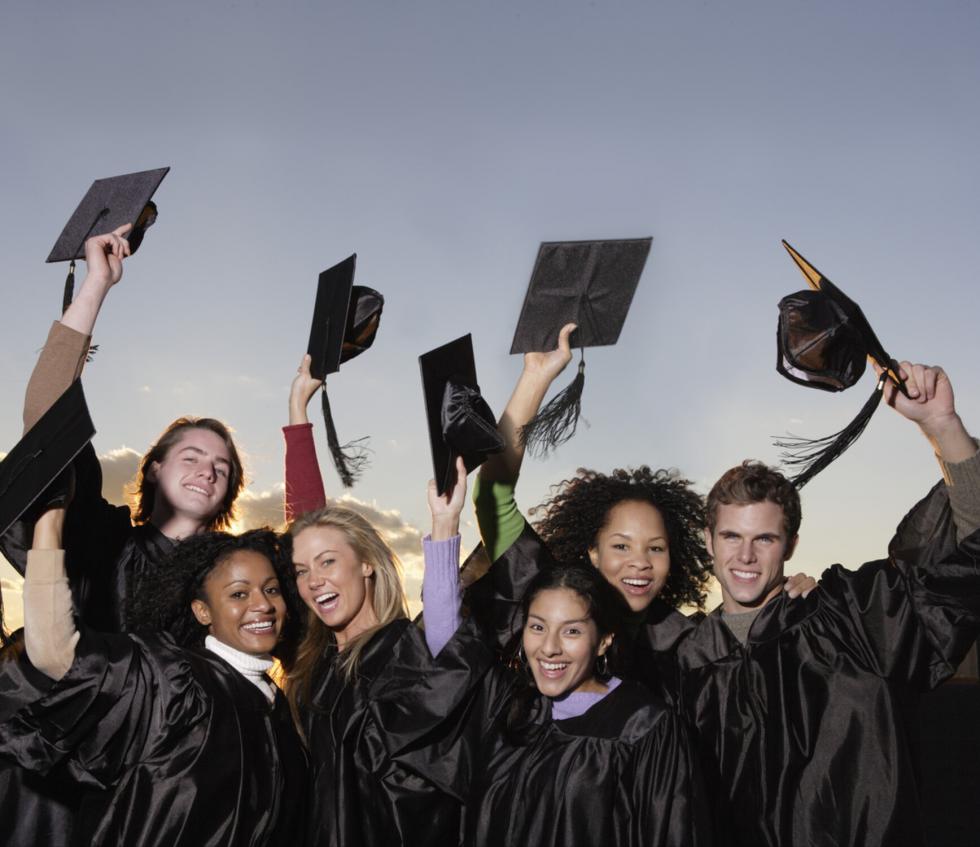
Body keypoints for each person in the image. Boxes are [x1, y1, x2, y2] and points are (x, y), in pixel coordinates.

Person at [656, 361, 980, 846]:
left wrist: (942, 427)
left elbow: (965, 563)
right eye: (731, 536)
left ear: (790, 545)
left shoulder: (848, 621)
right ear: (708, 540)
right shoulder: (677, 661)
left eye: (764, 538)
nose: (745, 555)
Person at [469, 324, 813, 679]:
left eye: (656, 548)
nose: (640, 563)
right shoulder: (548, 596)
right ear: (593, 552)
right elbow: (493, 493)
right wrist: (536, 376)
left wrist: (796, 603)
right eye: (621, 545)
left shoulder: (684, 645)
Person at [404, 460, 710, 846]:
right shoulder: (509, 707)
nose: (549, 647)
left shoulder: (646, 727)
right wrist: (445, 524)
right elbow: (448, 649)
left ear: (603, 639)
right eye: (537, 626)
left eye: (572, 631)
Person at [0, 502, 307, 846]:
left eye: (271, 589)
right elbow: (57, 654)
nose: (262, 604)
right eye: (238, 593)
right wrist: (50, 518)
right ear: (202, 611)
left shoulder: (282, 713)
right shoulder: (171, 680)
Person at [0, 227, 246, 633]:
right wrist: (96, 284)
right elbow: (47, 428)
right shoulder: (105, 546)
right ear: (153, 469)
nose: (208, 471)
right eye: (191, 457)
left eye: (222, 466)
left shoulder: (240, 574)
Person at [285, 498, 493, 847]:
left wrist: (445, 524)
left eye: (328, 562)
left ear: (366, 563)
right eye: (301, 571)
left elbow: (447, 656)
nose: (314, 581)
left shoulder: (397, 651)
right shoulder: (312, 668)